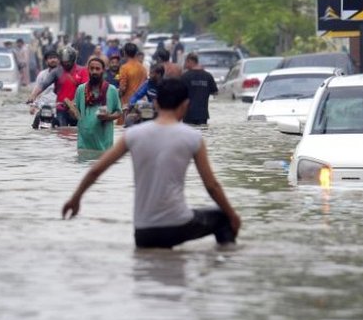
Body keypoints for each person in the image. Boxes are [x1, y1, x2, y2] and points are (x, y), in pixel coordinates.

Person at [62, 78, 241, 249]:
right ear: (186, 105)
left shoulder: (133, 135)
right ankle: (225, 263)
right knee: (224, 218)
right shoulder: (193, 137)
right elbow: (212, 186)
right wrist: (232, 215)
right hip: (177, 225)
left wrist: (75, 199)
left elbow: (95, 170)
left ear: (155, 104)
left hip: (143, 231)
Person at [27, 46, 88, 127]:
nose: (66, 64)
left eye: (68, 62)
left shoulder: (82, 71)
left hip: (78, 109)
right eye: (64, 61)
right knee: (61, 130)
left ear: (73, 59)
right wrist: (33, 96)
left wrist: (74, 102)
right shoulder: (56, 71)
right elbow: (43, 84)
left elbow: (85, 89)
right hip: (61, 108)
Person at [73, 57, 122, 151]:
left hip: (104, 144)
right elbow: (77, 115)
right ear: (88, 70)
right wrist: (70, 110)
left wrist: (108, 117)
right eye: (91, 68)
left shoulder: (111, 90)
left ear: (103, 70)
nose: (94, 71)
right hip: (84, 144)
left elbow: (119, 112)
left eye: (97, 69)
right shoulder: (81, 89)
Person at [180, 52, 219, 126]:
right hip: (203, 114)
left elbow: (179, 94)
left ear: (189, 61)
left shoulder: (185, 77)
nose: (185, 64)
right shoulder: (208, 76)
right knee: (202, 134)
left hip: (188, 114)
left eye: (185, 62)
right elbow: (215, 92)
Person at [30, 48, 61, 129]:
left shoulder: (63, 74)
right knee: (36, 124)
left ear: (58, 60)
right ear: (46, 61)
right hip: (44, 107)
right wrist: (33, 105)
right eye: (50, 58)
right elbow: (36, 90)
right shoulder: (42, 74)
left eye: (55, 58)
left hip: (58, 108)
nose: (53, 60)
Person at [118, 42, 147, 107]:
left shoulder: (124, 68)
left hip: (128, 102)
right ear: (136, 53)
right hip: (141, 101)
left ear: (125, 53)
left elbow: (122, 88)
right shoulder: (142, 67)